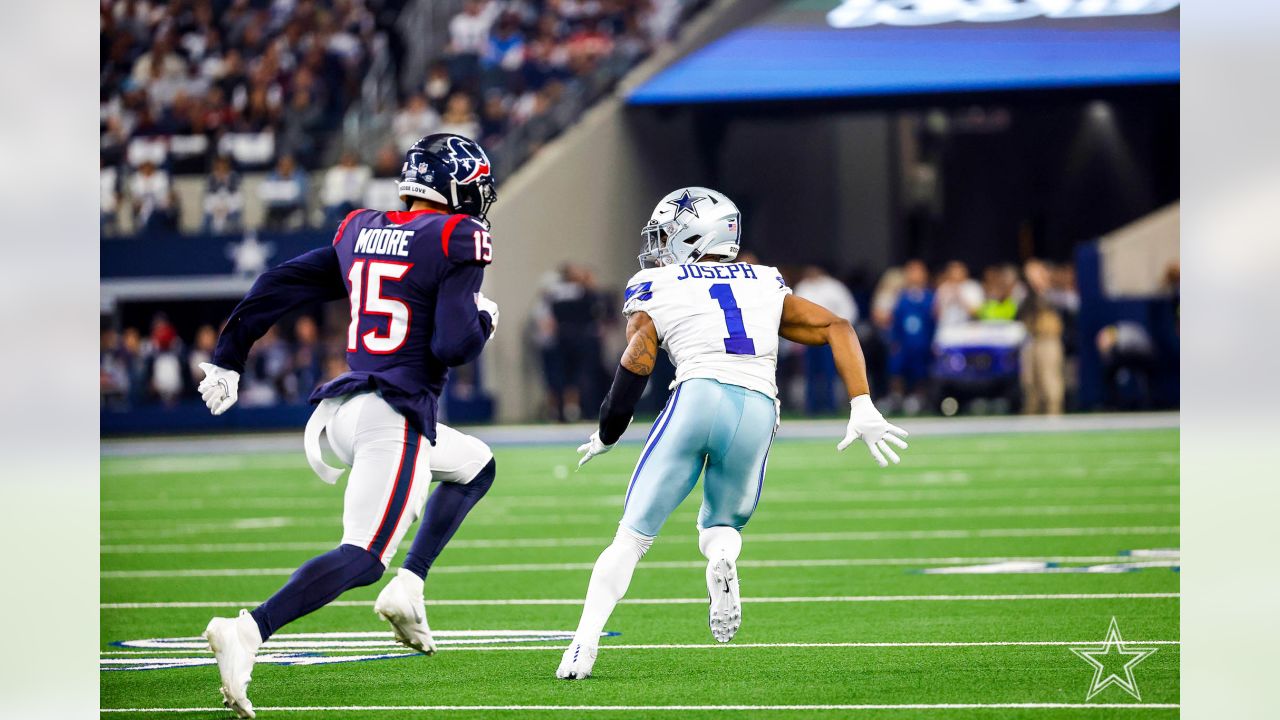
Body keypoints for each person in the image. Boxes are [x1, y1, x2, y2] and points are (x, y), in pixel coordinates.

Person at [196, 134, 503, 719]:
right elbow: (454, 344)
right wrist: (484, 320)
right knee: (362, 558)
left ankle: (410, 586)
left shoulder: (361, 228)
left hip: (342, 411)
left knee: (475, 465)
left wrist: (230, 354)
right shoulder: (456, 236)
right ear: (455, 188)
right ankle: (250, 629)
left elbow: (280, 282)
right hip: (394, 416)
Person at [557, 187, 908, 680]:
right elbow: (837, 326)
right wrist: (862, 404)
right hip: (759, 406)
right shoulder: (765, 280)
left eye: (666, 235)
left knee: (631, 539)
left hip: (698, 394)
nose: (658, 246)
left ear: (695, 236)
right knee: (721, 525)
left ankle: (582, 645)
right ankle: (721, 557)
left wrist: (609, 430)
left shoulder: (659, 281)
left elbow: (638, 358)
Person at [793, 266, 858, 414]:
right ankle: (811, 407)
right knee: (810, 373)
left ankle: (831, 406)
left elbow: (849, 310)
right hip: (809, 335)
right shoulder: (803, 287)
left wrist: (838, 330)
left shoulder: (834, 287)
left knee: (830, 372)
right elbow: (794, 312)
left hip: (830, 336)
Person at [888, 259, 935, 414]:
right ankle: (897, 398)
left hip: (922, 342)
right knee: (897, 369)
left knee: (921, 370)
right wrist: (894, 340)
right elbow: (895, 320)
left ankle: (919, 398)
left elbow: (933, 321)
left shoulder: (930, 297)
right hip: (904, 342)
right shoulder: (900, 296)